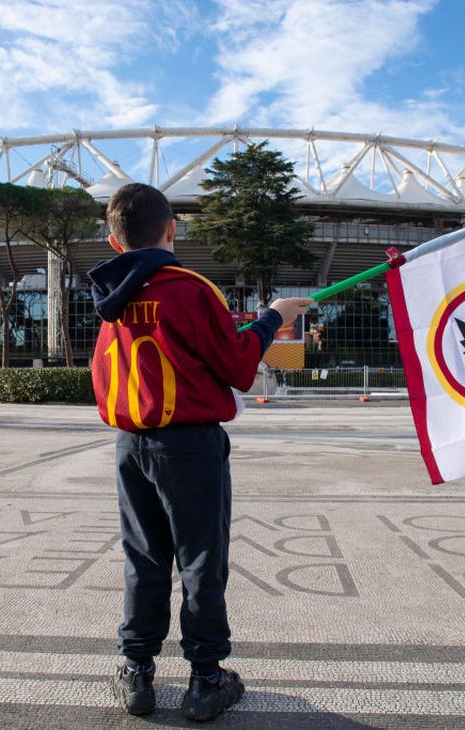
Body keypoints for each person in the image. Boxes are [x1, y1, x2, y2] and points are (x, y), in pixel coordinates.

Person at [89, 183, 311, 722]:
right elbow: (237, 366)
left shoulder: (110, 296)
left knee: (143, 558)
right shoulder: (190, 288)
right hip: (188, 446)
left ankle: (137, 671)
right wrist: (273, 318)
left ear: (114, 241)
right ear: (172, 230)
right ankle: (206, 679)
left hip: (129, 444)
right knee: (200, 561)